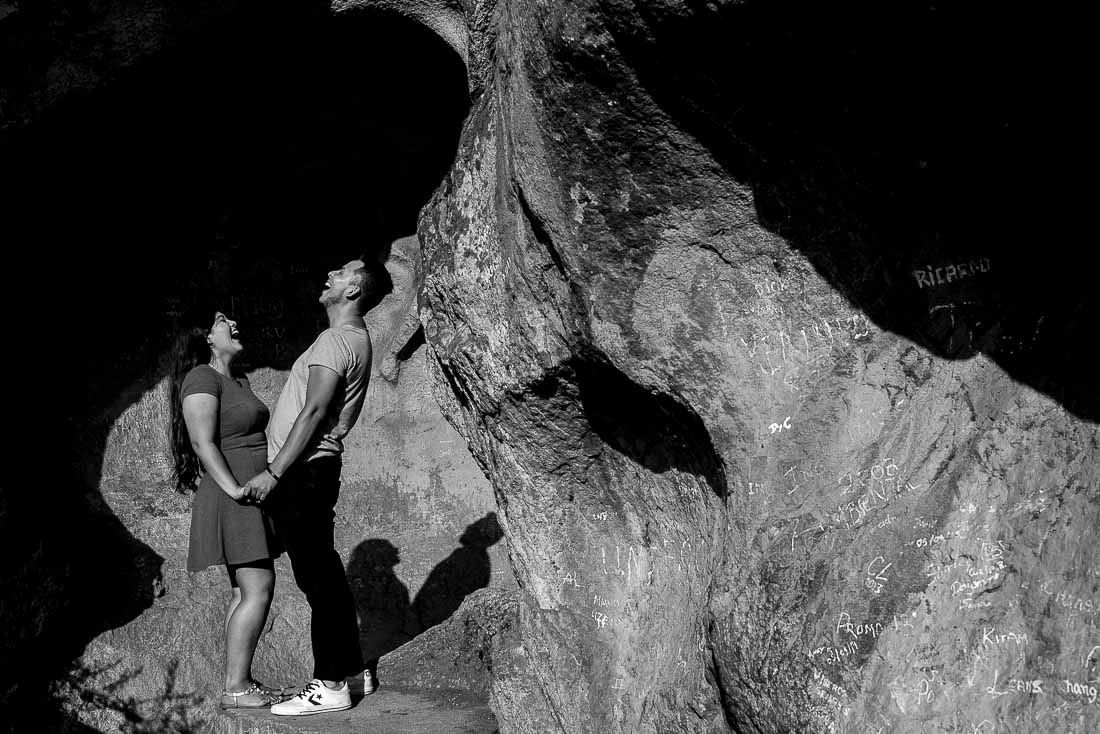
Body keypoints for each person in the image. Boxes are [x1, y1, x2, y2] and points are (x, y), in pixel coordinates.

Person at [242, 257, 391, 716]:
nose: (329, 274)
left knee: (318, 580)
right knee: (324, 574)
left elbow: (312, 413)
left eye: (342, 272)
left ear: (353, 292)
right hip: (313, 471)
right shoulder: (354, 339)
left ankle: (328, 684)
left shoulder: (335, 340)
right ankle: (346, 670)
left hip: (302, 471)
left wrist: (273, 472)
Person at [168, 311, 285, 709]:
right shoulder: (202, 377)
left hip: (248, 493)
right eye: (222, 322)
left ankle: (241, 683)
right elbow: (202, 443)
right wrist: (235, 488)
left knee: (244, 592)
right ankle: (236, 688)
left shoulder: (237, 380)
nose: (234, 323)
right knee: (259, 589)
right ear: (206, 339)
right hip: (233, 494)